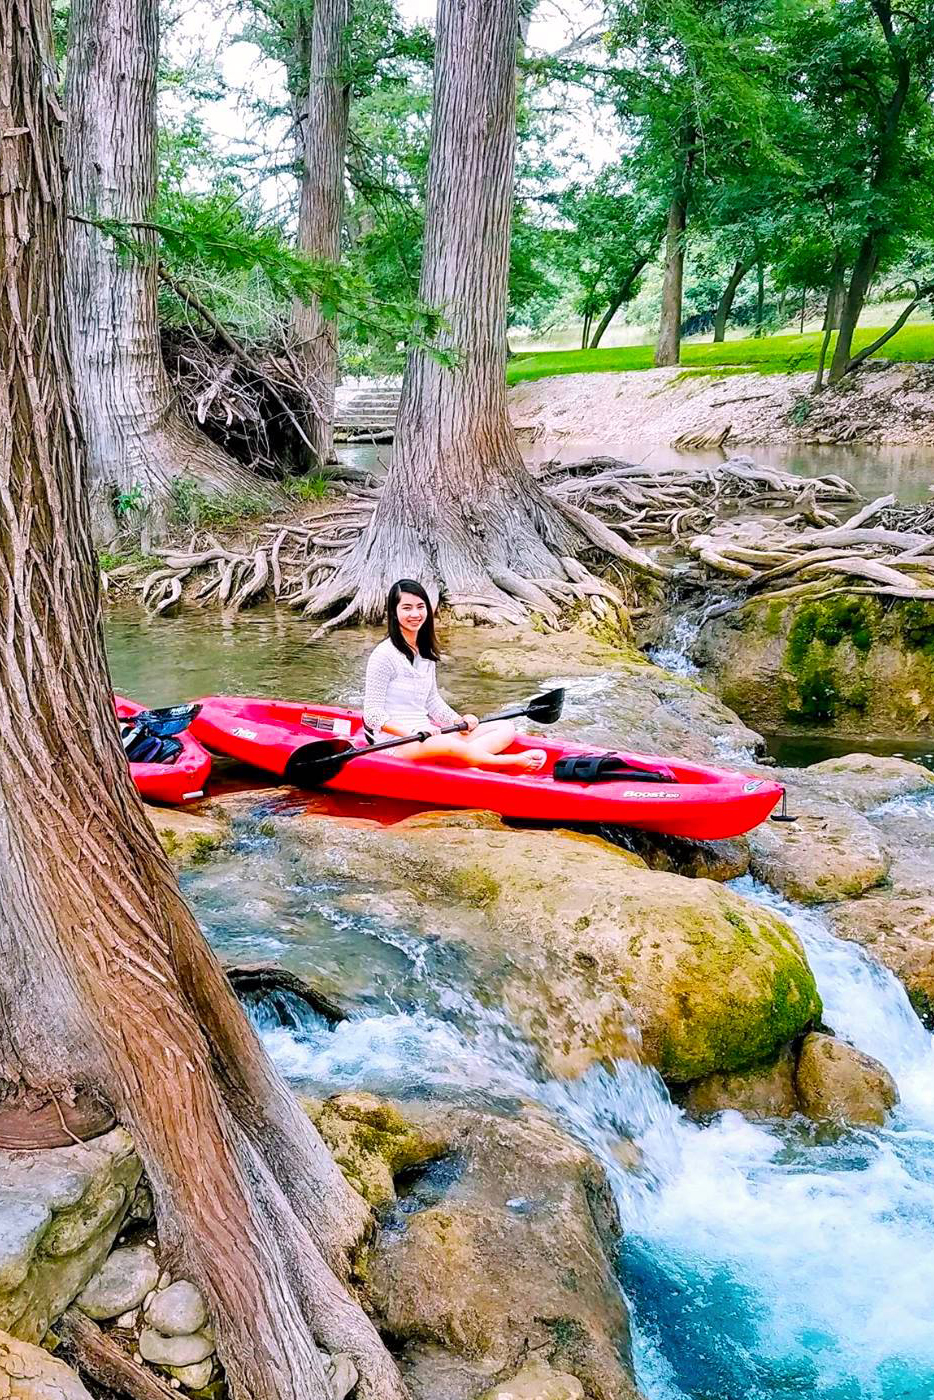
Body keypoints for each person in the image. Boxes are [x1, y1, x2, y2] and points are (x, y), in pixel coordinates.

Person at [363, 579, 547, 773]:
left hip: (428, 733)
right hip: (398, 741)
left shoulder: (424, 652)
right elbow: (372, 715)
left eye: (420, 607)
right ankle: (509, 763)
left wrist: (457, 721)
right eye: (407, 608)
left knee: (505, 728)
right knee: (442, 743)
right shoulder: (384, 655)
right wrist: (412, 732)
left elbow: (432, 700)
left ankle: (466, 760)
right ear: (394, 612)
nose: (415, 614)